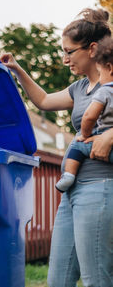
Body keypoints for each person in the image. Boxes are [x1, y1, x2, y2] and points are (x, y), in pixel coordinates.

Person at [0, 8, 113, 287]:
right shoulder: (79, 88)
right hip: (71, 194)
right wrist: (17, 68)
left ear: (92, 49)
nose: (64, 59)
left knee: (96, 281)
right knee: (58, 281)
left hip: (100, 187)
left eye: (69, 51)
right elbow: (44, 100)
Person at [56, 36, 113, 192]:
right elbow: (43, 100)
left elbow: (89, 117)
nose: (100, 79)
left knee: (78, 144)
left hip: (99, 157)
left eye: (101, 74)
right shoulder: (79, 87)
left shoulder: (105, 91)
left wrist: (85, 134)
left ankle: (68, 175)